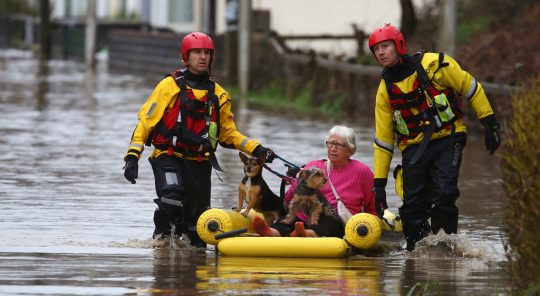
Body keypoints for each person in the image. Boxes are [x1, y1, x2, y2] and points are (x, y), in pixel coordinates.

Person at [123, 31, 275, 247]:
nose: (203, 57)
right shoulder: (169, 86)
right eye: (197, 52)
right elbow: (145, 122)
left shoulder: (219, 95)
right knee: (172, 197)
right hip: (168, 157)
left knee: (197, 227)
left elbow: (228, 135)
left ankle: (190, 261)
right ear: (186, 56)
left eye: (207, 53)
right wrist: (132, 157)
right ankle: (161, 245)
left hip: (200, 163)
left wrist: (257, 149)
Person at [369, 23, 501, 251]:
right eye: (376, 49)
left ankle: (445, 248)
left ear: (399, 45)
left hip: (448, 138)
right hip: (413, 147)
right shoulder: (385, 91)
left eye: (385, 46)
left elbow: (471, 87)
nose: (381, 52)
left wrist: (489, 123)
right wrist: (379, 186)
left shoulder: (434, 65)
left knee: (444, 193)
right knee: (411, 208)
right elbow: (383, 141)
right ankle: (417, 254)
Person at [252, 125, 376, 237]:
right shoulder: (313, 166)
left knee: (328, 222)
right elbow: (289, 199)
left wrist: (369, 227)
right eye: (330, 143)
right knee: (290, 219)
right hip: (306, 216)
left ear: (350, 150)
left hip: (336, 221)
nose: (333, 148)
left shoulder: (362, 171)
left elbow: (373, 206)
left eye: (339, 145)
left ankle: (303, 233)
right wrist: (296, 180)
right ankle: (271, 232)